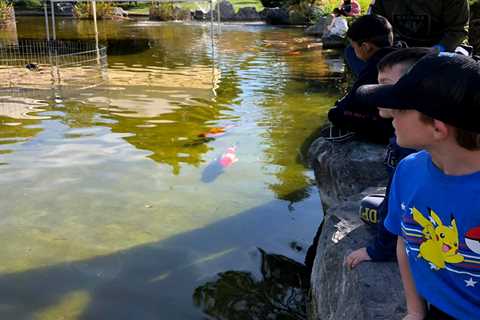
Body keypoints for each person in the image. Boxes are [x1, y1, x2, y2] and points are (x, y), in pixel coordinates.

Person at [356, 53, 480, 319]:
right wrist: (415, 310)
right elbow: (406, 241)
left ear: (437, 128)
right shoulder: (409, 169)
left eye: (400, 110)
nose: (391, 117)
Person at [345, 47, 431, 269]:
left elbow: (398, 203)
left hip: (421, 229)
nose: (378, 92)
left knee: (369, 207)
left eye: (385, 83)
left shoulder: (409, 148)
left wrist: (377, 250)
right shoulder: (410, 133)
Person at [327, 14, 396, 143]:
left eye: (354, 47)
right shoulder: (399, 55)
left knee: (335, 114)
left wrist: (339, 108)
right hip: (403, 119)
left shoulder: (375, 67)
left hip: (388, 128)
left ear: (366, 47)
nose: (353, 51)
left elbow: (353, 103)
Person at [371, 0, 469, 52]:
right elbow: (377, 24)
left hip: (443, 48)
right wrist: (392, 49)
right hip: (398, 48)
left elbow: (457, 30)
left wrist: (437, 50)